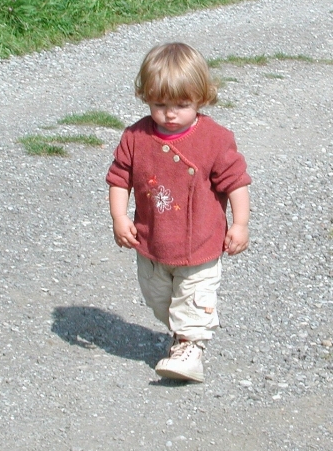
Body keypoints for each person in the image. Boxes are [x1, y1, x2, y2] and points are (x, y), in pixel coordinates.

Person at [106, 43, 251, 383]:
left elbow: (236, 184)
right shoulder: (136, 137)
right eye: (160, 104)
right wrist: (119, 217)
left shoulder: (214, 140)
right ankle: (181, 333)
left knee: (193, 300)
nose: (170, 114)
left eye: (182, 105)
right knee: (160, 300)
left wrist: (240, 223)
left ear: (201, 98)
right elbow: (118, 178)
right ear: (146, 98)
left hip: (200, 245)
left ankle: (190, 348)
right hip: (153, 244)